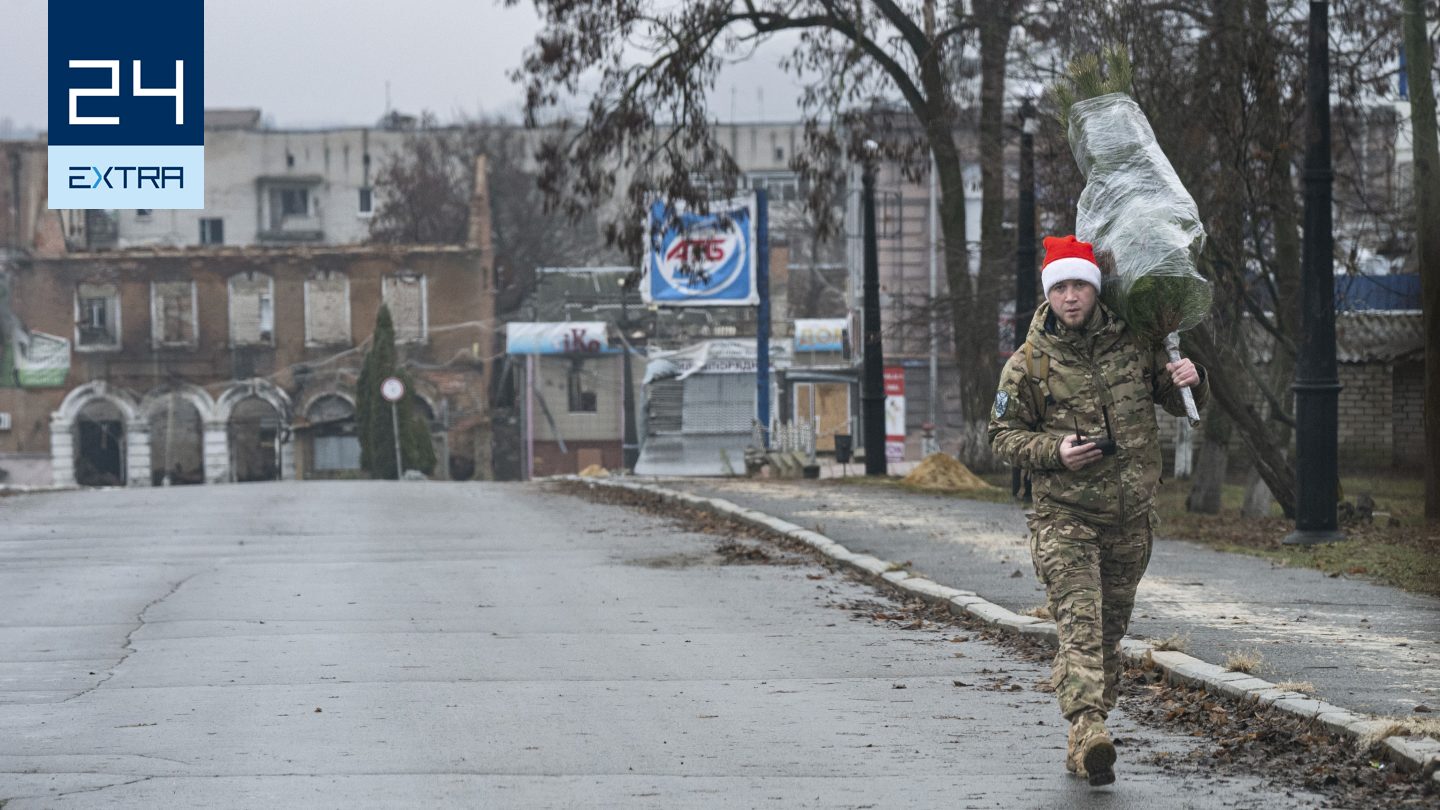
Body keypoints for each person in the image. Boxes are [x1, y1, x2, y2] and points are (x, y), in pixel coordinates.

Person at [988, 234, 1208, 786]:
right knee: (1080, 626)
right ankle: (1088, 728)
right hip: (1065, 517)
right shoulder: (1029, 363)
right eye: (1059, 286)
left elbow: (1175, 399)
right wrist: (1054, 452)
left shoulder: (1136, 342)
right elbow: (1001, 435)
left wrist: (1190, 380)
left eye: (1079, 286)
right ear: (1048, 293)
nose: (1069, 297)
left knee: (1109, 633)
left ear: (1095, 290)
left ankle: (1085, 737)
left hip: (1130, 519)